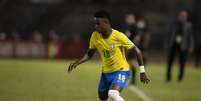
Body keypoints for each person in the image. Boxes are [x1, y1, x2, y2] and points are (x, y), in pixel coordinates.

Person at [68, 10, 150, 101]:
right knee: (101, 99)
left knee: (113, 93)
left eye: (98, 23)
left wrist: (142, 71)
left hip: (121, 71)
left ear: (106, 23)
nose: (95, 26)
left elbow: (137, 51)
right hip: (105, 74)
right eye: (95, 24)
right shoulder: (95, 36)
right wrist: (77, 62)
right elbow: (89, 54)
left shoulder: (118, 36)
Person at [166, 10, 193, 82]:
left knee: (182, 63)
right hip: (174, 45)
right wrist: (168, 43)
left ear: (186, 17)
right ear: (179, 16)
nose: (183, 18)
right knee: (170, 62)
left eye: (185, 16)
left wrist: (190, 47)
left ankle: (180, 78)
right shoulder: (175, 24)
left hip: (183, 46)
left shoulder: (188, 25)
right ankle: (168, 77)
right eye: (182, 16)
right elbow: (170, 33)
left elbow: (190, 37)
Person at [124, 13, 140, 85]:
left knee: (132, 63)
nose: (127, 20)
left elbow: (137, 38)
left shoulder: (135, 27)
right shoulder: (127, 27)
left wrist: (131, 46)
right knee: (126, 63)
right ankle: (127, 79)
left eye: (129, 18)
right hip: (126, 47)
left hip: (132, 47)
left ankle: (133, 80)